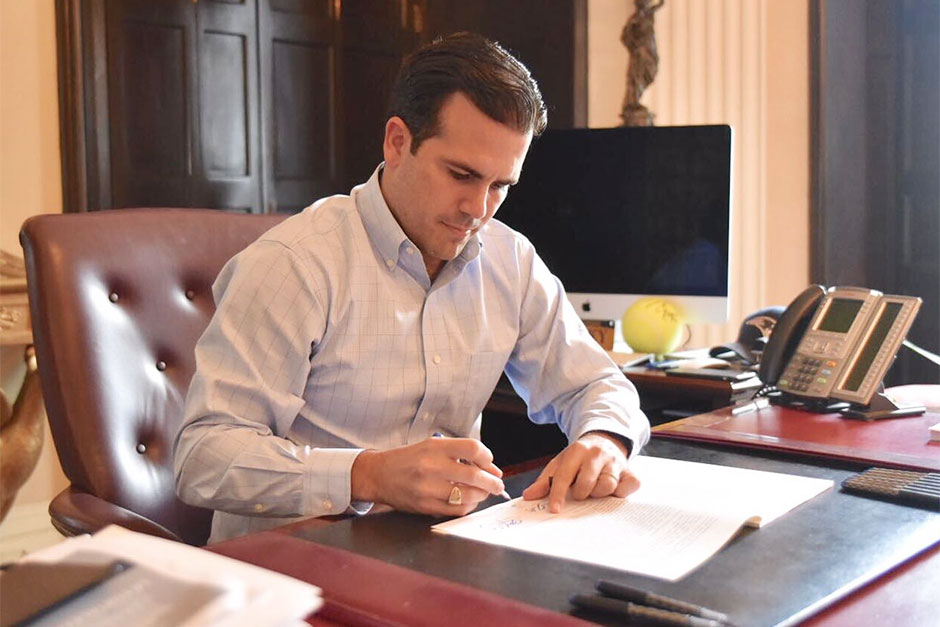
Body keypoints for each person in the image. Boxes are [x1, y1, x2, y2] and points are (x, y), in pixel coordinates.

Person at [174, 32, 650, 543]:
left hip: (448, 554)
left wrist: (604, 439)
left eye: (500, 186)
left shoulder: (509, 259)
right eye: (461, 175)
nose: (478, 208)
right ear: (398, 142)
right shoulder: (293, 265)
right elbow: (203, 456)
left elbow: (596, 384)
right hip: (292, 569)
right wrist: (367, 474)